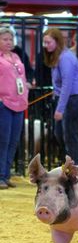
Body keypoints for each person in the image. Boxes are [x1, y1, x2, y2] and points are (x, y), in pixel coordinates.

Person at [43, 28, 78, 165]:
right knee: (62, 135)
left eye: (48, 42)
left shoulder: (65, 58)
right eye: (44, 42)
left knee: (70, 136)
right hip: (66, 99)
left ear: (57, 41)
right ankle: (72, 165)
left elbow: (67, 84)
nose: (46, 45)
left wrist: (60, 109)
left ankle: (75, 168)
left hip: (72, 100)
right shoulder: (60, 56)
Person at [0, 27, 28, 189]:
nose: (8, 42)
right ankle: (0, 176)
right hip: (4, 103)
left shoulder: (16, 56)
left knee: (13, 141)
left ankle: (6, 174)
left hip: (19, 103)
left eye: (10, 39)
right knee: (3, 141)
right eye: (4, 39)